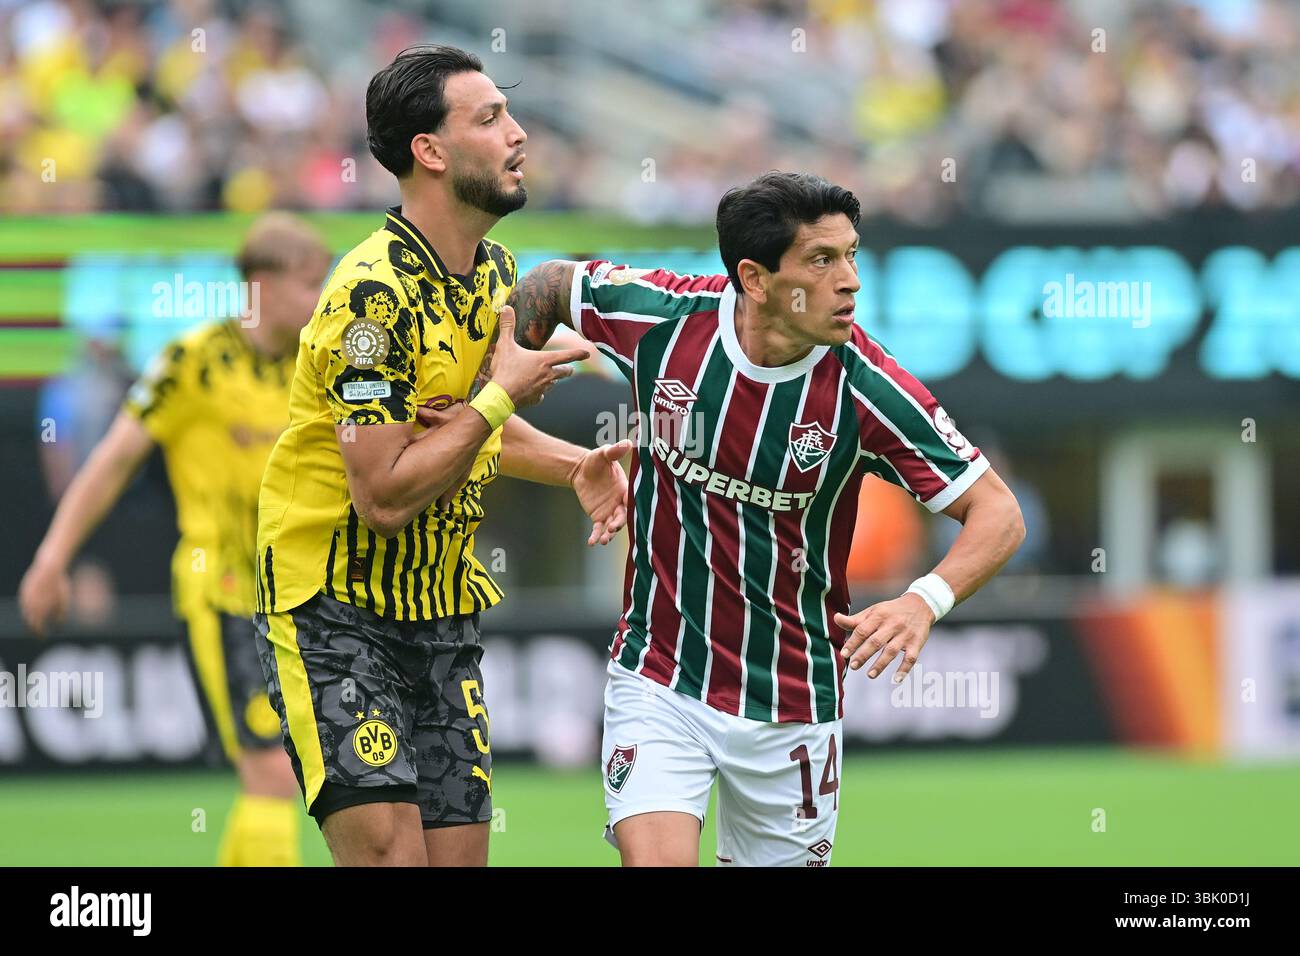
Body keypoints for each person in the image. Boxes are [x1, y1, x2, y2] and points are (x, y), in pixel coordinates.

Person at [507, 171, 1027, 866]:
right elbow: (546, 285)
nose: (850, 281)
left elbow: (998, 513)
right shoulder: (663, 320)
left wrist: (923, 602)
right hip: (661, 675)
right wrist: (497, 382)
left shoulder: (864, 388)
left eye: (851, 255)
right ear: (754, 278)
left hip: (794, 701)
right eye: (822, 260)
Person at [252, 45, 631, 867]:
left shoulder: (492, 273)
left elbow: (472, 434)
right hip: (333, 609)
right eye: (491, 118)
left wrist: (574, 466)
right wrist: (497, 397)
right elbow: (384, 496)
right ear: (429, 151)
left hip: (440, 611)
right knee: (393, 860)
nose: (519, 134)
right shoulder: (368, 299)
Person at [19, 212, 331, 866]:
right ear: (263, 286)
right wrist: (52, 558)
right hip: (222, 595)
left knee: (284, 778)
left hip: (299, 601)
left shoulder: (314, 367)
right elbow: (111, 462)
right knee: (272, 772)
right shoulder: (192, 363)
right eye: (309, 284)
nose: (321, 298)